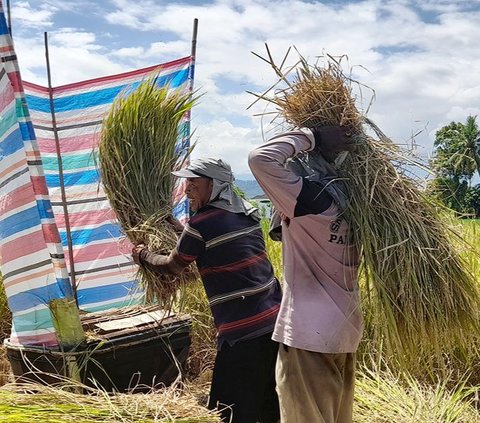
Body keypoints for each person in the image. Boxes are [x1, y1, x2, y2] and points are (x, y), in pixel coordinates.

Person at [131, 157, 281, 423]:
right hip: (273, 318)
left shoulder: (202, 222)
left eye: (194, 182)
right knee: (268, 396)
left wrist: (143, 254)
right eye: (186, 182)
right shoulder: (246, 211)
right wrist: (180, 230)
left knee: (229, 407)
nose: (187, 188)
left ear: (215, 185)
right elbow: (210, 243)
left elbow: (172, 266)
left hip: (242, 327)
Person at [248, 126, 363, 423]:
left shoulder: (310, 201)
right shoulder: (359, 206)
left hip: (307, 335)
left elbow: (260, 159)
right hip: (345, 330)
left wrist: (312, 135)